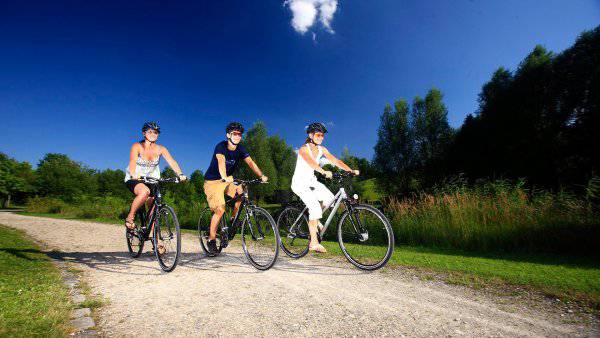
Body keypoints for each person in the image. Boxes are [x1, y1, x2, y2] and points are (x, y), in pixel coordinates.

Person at [291, 122, 359, 253]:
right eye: (318, 135)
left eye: (322, 135)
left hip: (312, 182)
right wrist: (322, 171)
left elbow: (336, 161)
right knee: (315, 207)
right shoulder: (304, 149)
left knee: (330, 199)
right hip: (300, 183)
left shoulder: (322, 149)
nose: (320, 137)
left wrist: (350, 170)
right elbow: (311, 163)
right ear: (311, 135)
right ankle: (314, 243)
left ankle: (314, 219)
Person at [203, 122, 268, 254]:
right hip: (213, 181)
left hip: (227, 181)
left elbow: (250, 162)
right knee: (220, 210)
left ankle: (233, 220)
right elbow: (221, 161)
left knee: (241, 192)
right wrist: (224, 176)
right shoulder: (221, 146)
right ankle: (211, 239)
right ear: (228, 135)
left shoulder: (241, 149)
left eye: (240, 134)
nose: (238, 136)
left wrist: (261, 175)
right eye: (235, 134)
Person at [124, 122, 186, 231]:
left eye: (156, 132)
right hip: (135, 178)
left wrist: (180, 174)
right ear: (144, 133)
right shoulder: (137, 146)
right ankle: (130, 217)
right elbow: (133, 161)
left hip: (152, 180)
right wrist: (133, 174)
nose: (153, 134)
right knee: (144, 192)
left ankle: (156, 240)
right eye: (150, 132)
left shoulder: (161, 149)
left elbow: (172, 161)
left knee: (153, 209)